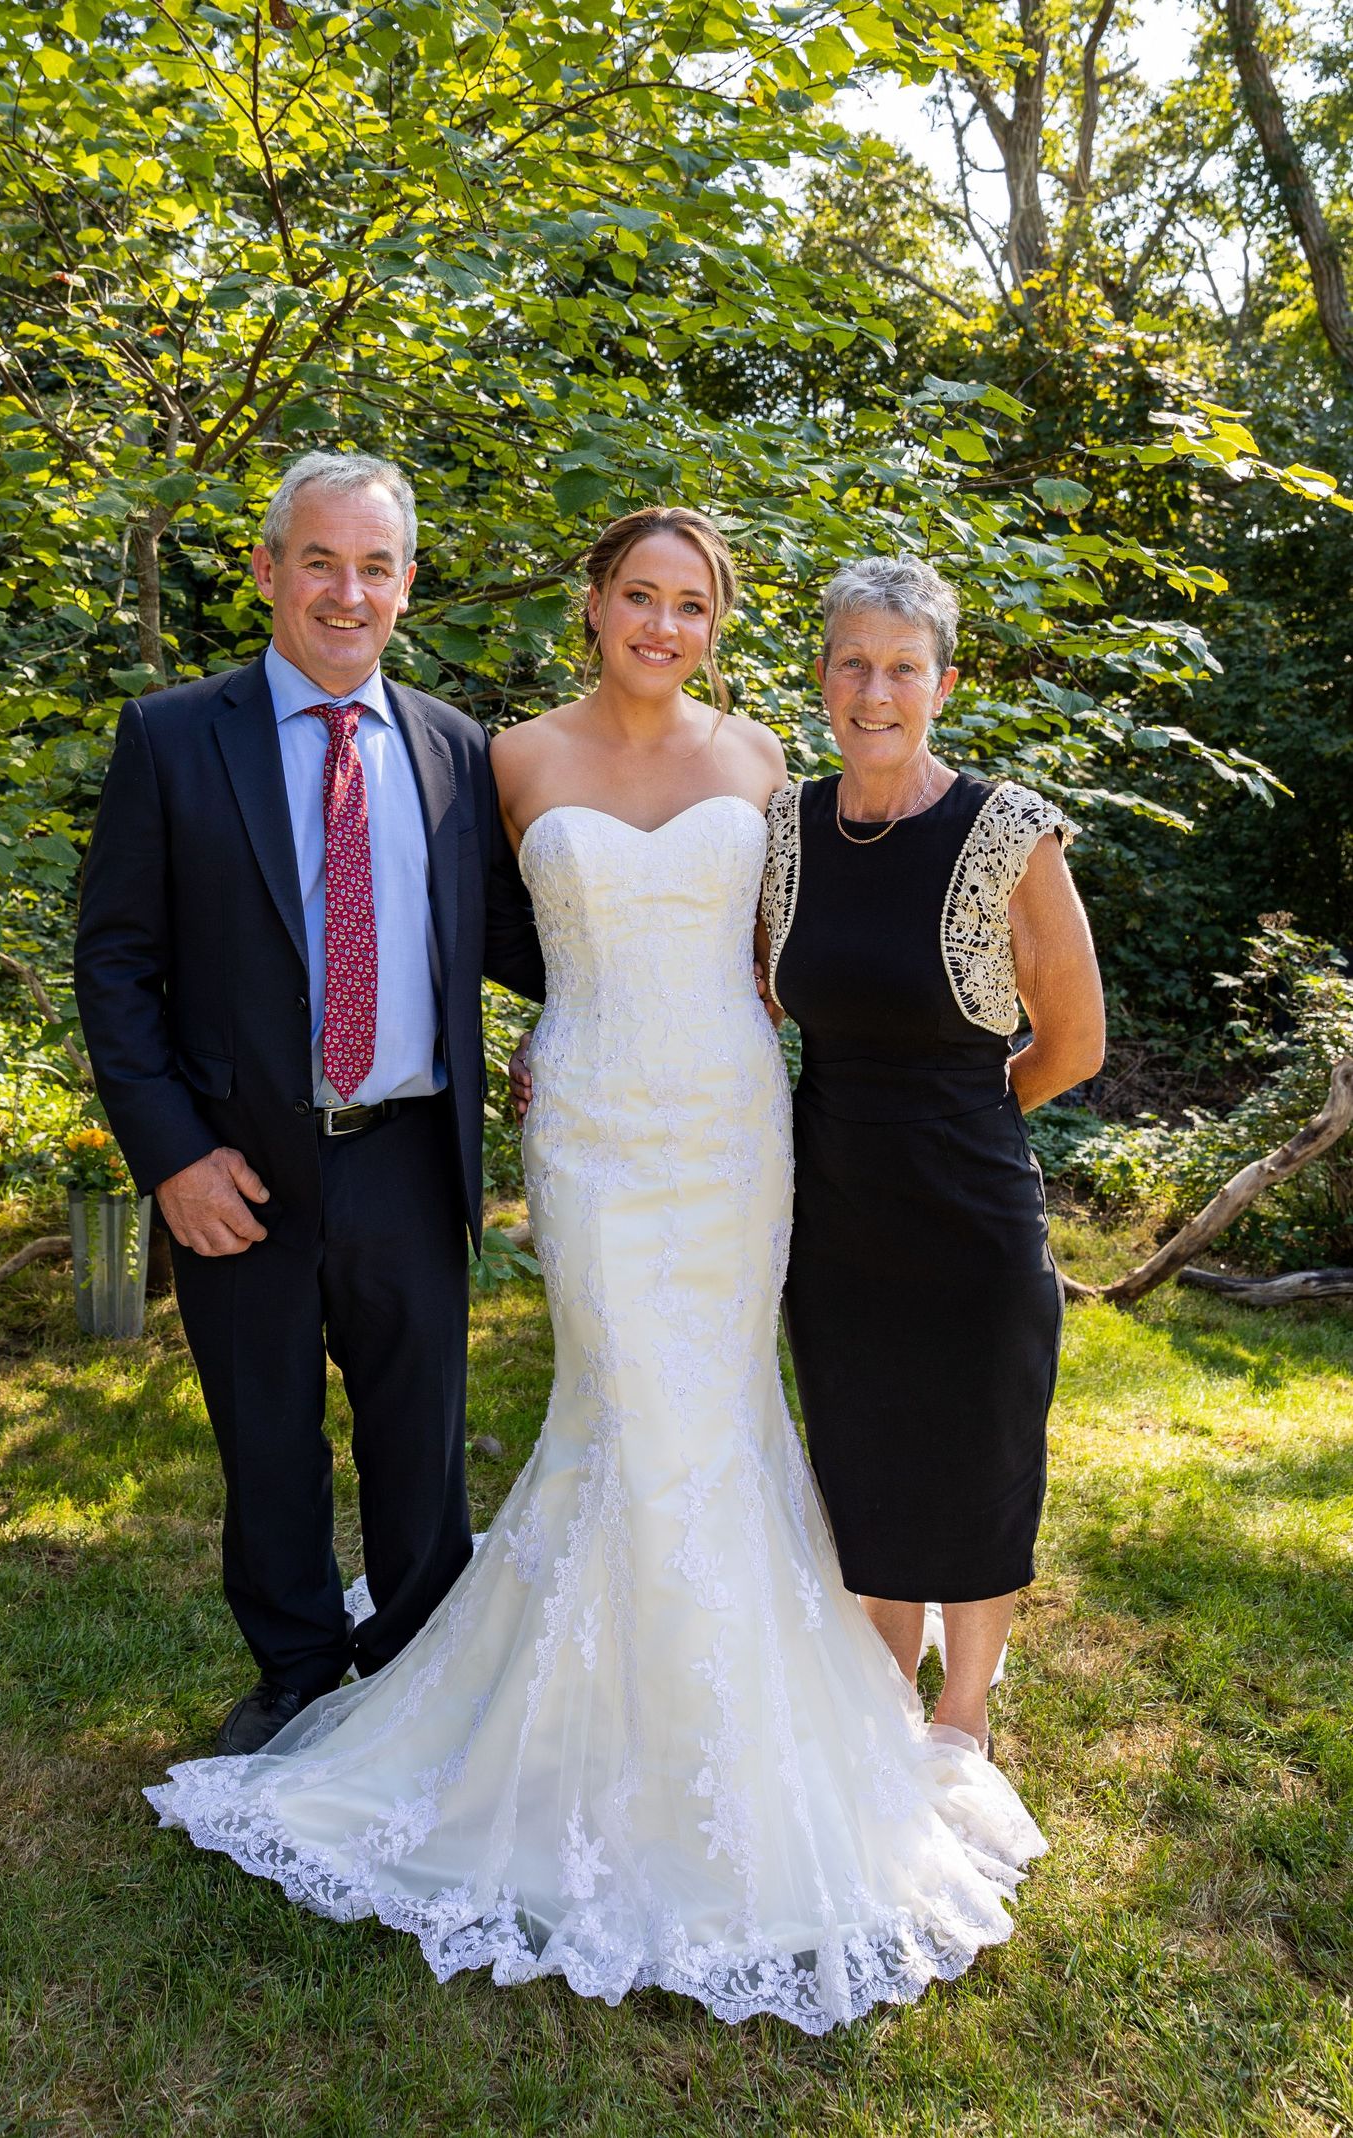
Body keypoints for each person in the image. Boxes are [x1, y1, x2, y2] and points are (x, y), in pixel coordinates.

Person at [144, 508, 1045, 2035]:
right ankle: (577, 1737)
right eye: (641, 595)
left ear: (719, 625)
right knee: (626, 1420)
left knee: (719, 1421)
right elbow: (468, 929)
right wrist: (530, 1060)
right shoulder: (504, 759)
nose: (664, 624)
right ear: (598, 603)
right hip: (596, 1137)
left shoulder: (767, 761)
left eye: (692, 604)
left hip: (729, 1128)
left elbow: (795, 954)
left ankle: (742, 1732)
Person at [74, 450, 544, 1755]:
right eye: (320, 561)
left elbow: (534, 937)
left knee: (419, 1440)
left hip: (406, 1152)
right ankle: (292, 1668)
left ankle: (418, 1664)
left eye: (375, 566)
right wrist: (172, 1156)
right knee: (267, 1437)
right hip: (242, 1159)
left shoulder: (460, 752)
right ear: (272, 570)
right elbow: (114, 961)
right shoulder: (173, 737)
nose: (347, 591)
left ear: (408, 585)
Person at [763, 554, 1106, 1756]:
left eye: (903, 667)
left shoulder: (1007, 829)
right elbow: (769, 990)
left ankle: (963, 1713)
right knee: (864, 1451)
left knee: (977, 1453)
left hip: (967, 1206)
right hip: (837, 1210)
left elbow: (1074, 1041)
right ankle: (877, 1684)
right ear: (821, 676)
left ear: (942, 685)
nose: (875, 690)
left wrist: (962, 1108)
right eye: (853, 662)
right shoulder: (788, 822)